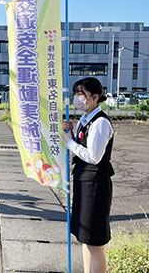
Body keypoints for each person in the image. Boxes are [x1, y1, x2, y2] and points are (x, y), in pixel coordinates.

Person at [62, 77, 114, 273]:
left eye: (81, 94)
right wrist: (73, 133)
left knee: (95, 242)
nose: (77, 98)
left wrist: (69, 142)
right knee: (85, 238)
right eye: (76, 93)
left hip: (95, 186)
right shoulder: (86, 118)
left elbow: (94, 156)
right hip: (85, 183)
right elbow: (84, 145)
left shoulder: (100, 122)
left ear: (95, 97)